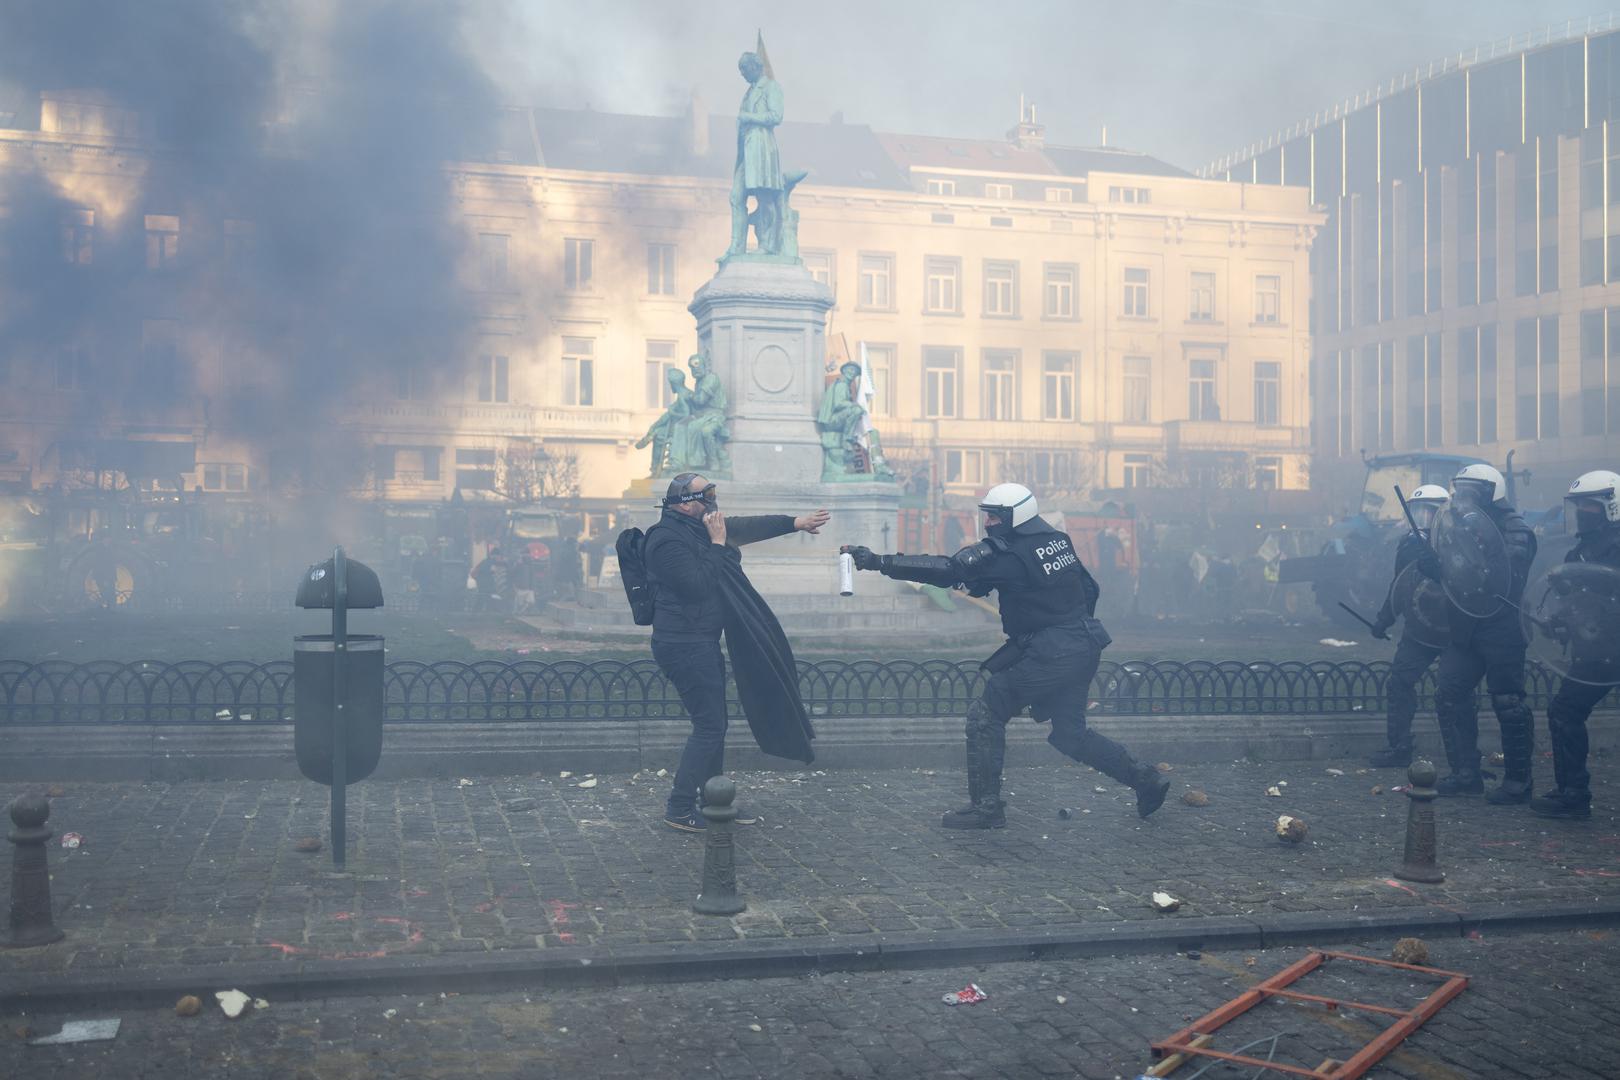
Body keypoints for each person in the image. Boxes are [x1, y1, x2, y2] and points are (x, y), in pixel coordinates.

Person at [844, 482, 1171, 830]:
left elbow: (949, 569)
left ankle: (986, 808)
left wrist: (880, 562)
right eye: (987, 516)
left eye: (996, 517)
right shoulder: (1057, 540)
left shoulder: (1009, 554)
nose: (988, 524)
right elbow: (1090, 588)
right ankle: (1146, 780)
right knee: (1069, 735)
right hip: (1083, 643)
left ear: (1016, 516)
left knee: (985, 714)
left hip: (1053, 652)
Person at [643, 472, 829, 832]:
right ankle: (679, 807)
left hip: (701, 641)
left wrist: (796, 523)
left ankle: (714, 800)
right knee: (710, 726)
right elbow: (698, 586)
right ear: (683, 503)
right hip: (682, 644)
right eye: (705, 495)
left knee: (715, 724)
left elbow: (745, 526)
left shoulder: (697, 527)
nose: (713, 502)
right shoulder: (666, 541)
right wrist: (716, 543)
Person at [1421, 464, 1537, 802]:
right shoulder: (1459, 523)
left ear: (1491, 493)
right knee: (1449, 693)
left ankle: (1519, 782)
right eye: (1461, 489)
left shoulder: (1516, 529)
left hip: (1502, 624)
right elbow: (1456, 568)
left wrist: (1454, 562)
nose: (1463, 496)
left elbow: (1502, 575)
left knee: (1509, 703)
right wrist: (1435, 566)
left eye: (1472, 490)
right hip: (1466, 624)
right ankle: (1465, 774)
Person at [1533, 470, 1620, 820]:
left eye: (1590, 504)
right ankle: (1573, 793)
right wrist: (1558, 624)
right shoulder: (1577, 551)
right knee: (1564, 711)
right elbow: (1577, 606)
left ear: (1610, 505)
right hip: (1596, 652)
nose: (1582, 511)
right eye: (1579, 505)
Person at [1366, 484, 1473, 768]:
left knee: (1454, 693)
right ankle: (1400, 746)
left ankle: (1465, 761)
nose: (1424, 517)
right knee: (1400, 682)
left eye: (1431, 511)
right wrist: (1383, 619)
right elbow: (1400, 586)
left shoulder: (1461, 542)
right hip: (1419, 628)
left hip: (1453, 629)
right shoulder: (1409, 544)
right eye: (1419, 511)